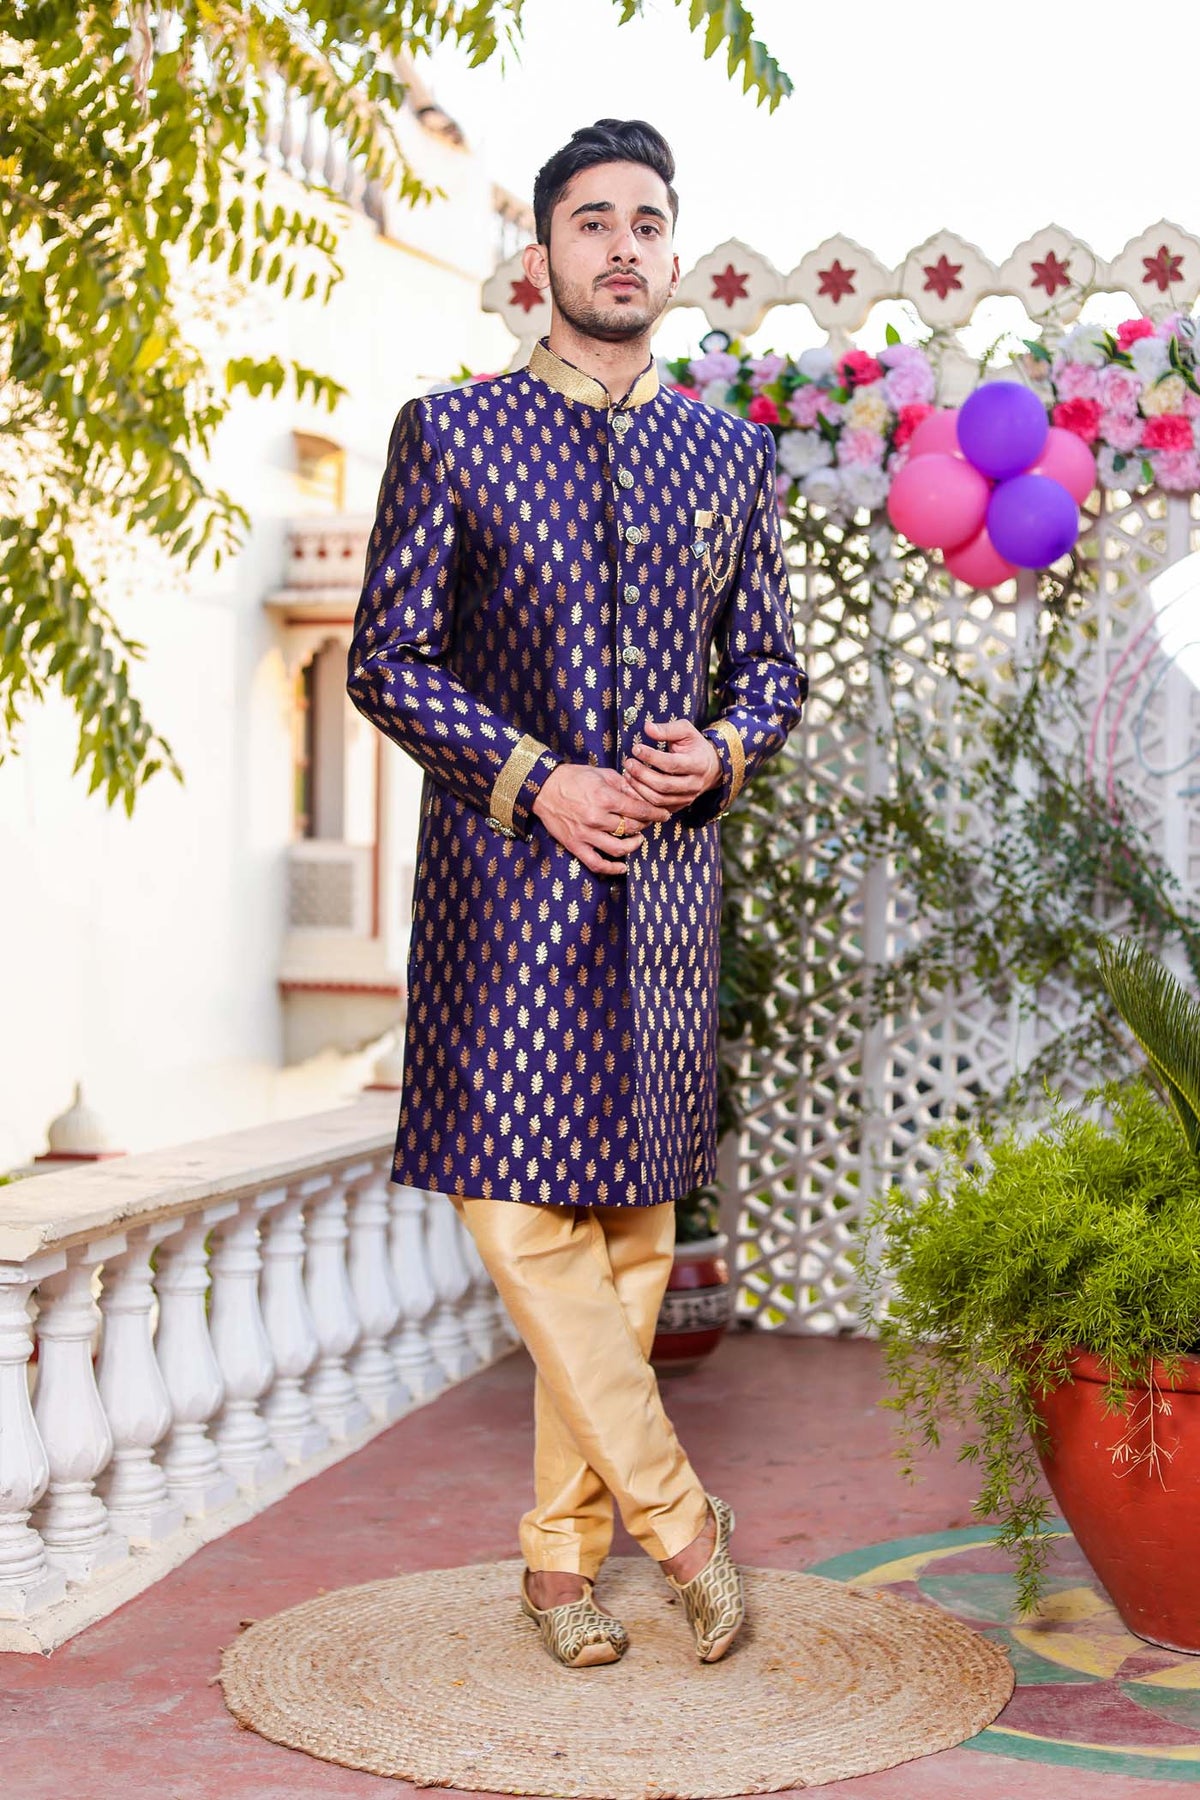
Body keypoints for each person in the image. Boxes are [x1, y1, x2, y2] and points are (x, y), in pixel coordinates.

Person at [347, 117, 807, 1669]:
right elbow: (388, 658)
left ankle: (557, 1561)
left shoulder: (728, 457)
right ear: (541, 256)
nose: (623, 244)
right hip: (501, 890)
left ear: (674, 256)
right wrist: (535, 777)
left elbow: (773, 669)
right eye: (593, 220)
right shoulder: (453, 434)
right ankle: (681, 1521)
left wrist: (721, 754)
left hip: (663, 896)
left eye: (648, 221)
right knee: (517, 1210)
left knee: (627, 1234)